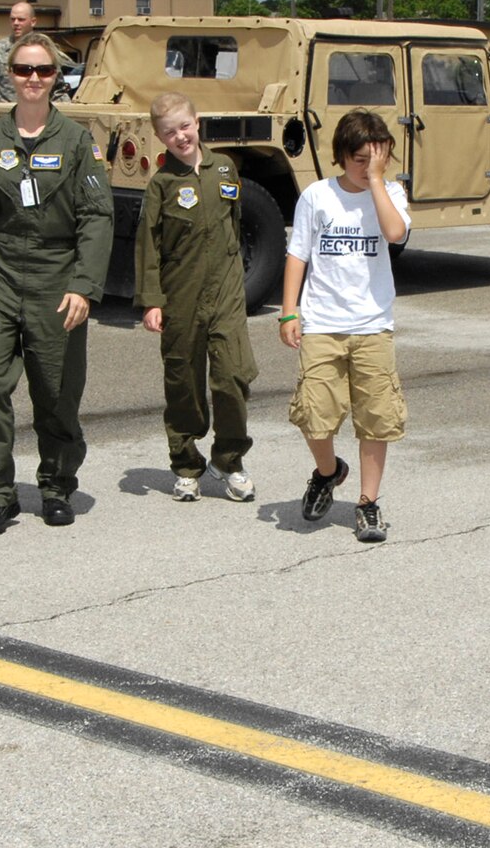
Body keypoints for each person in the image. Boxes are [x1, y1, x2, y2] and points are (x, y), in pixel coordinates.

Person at [0, 30, 112, 536]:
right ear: (9, 77)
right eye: (24, 71)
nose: (34, 80)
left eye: (45, 71)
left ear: (55, 78)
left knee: (57, 390)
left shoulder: (77, 141)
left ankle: (56, 484)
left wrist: (84, 285)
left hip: (55, 276)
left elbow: (96, 217)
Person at [279, 109, 410, 542]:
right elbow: (297, 254)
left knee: (376, 418)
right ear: (341, 156)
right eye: (361, 159)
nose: (371, 165)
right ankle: (328, 471)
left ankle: (368, 503)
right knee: (314, 414)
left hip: (373, 325)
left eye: (379, 157)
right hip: (322, 323)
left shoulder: (390, 192)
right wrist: (289, 310)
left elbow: (394, 233)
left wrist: (375, 182)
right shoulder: (317, 196)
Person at [136, 91, 258, 502]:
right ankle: (187, 464)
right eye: (170, 132)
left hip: (225, 289)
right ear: (159, 136)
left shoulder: (225, 168)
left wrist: (235, 278)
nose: (181, 137)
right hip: (181, 294)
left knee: (233, 375)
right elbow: (148, 246)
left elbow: (235, 225)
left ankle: (229, 460)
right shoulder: (161, 184)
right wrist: (152, 300)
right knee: (183, 380)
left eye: (185, 126)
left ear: (198, 121)